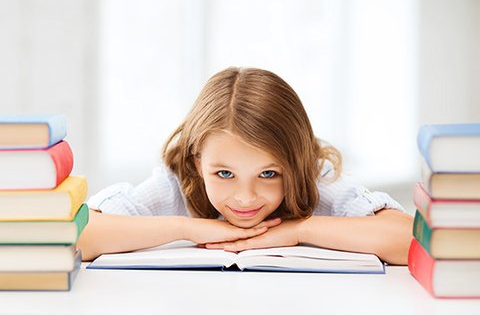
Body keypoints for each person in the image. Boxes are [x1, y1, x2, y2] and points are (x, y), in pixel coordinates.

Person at [78, 67, 413, 264]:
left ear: (295, 165)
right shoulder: (180, 184)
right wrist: (187, 228)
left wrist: (298, 230)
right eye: (224, 173)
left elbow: (409, 238)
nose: (245, 197)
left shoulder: (314, 181)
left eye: (268, 174)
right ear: (198, 162)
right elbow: (78, 234)